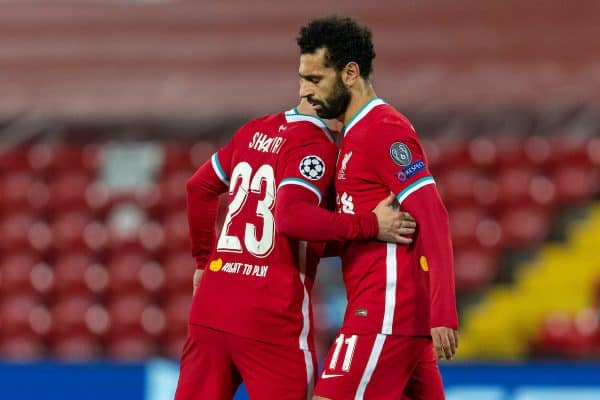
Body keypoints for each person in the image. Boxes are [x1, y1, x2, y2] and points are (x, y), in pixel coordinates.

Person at [174, 98, 417, 400]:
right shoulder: (318, 146)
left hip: (211, 307)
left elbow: (198, 187)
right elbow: (292, 221)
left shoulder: (253, 130)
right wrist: (369, 226)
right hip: (271, 318)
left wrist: (202, 261)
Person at [295, 16, 459, 400]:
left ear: (350, 73)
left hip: (384, 315)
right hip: (394, 317)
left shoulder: (384, 129)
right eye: (303, 79)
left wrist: (443, 313)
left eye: (315, 79)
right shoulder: (350, 136)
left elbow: (432, 215)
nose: (305, 91)